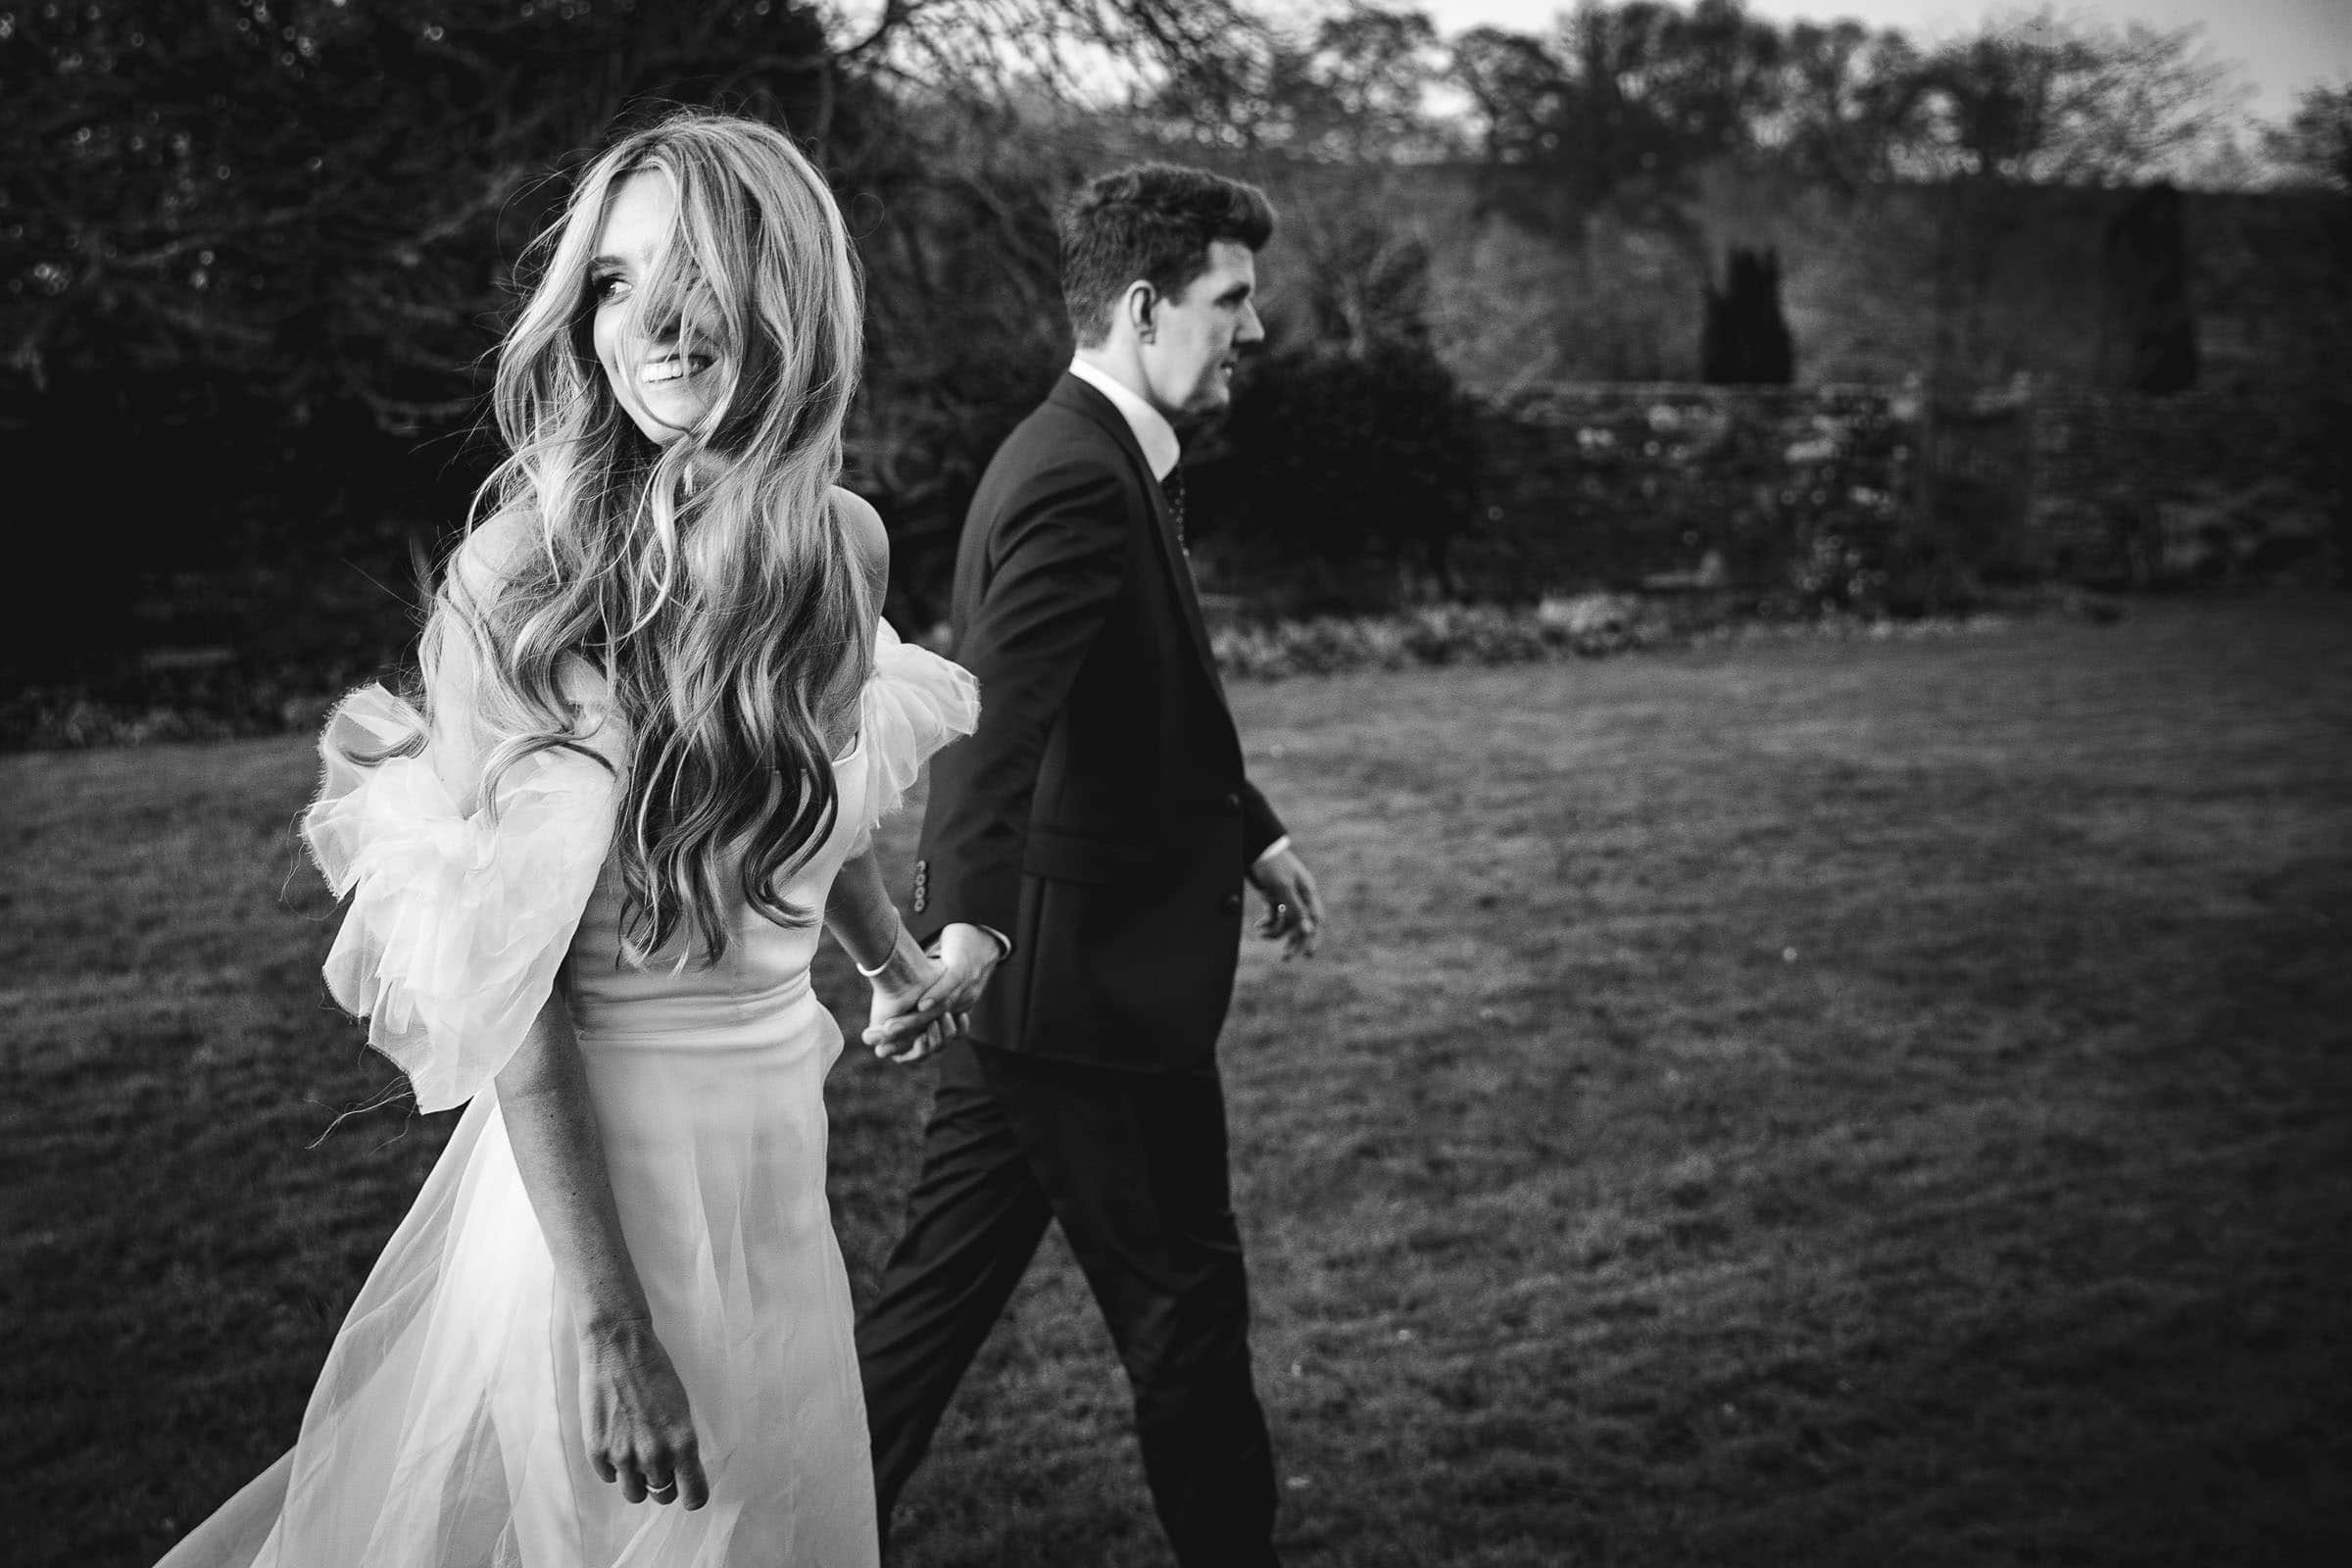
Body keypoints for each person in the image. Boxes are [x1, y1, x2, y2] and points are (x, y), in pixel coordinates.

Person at [156, 111, 977, 1568]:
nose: (650, 322)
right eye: (610, 281)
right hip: (595, 1211)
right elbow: (511, 981)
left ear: (787, 291)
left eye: (697, 272)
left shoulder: (841, 546)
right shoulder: (522, 578)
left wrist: (892, 960)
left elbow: (808, 786)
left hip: (779, 1180)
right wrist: (610, 1324)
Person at [852, 163, 1327, 1568]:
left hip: (1054, 994)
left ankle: (780, 1537)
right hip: (1086, 1000)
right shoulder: (1076, 473)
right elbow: (991, 723)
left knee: (923, 1322)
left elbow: (1139, 707)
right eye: (1231, 299)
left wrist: (1254, 833)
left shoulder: (1098, 453)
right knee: (1186, 1312)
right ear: (1142, 306)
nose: (1254, 328)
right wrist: (970, 935)